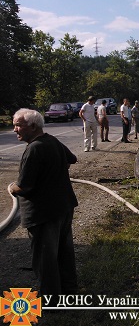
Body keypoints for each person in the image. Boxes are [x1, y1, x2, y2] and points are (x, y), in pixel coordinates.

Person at [9, 109, 78, 304]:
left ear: (33, 126)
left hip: (43, 213)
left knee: (45, 260)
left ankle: (52, 303)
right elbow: (72, 159)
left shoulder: (34, 149)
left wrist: (13, 188)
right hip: (63, 207)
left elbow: (24, 186)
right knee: (64, 254)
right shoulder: (52, 140)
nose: (15, 129)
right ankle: (70, 294)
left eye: (18, 125)